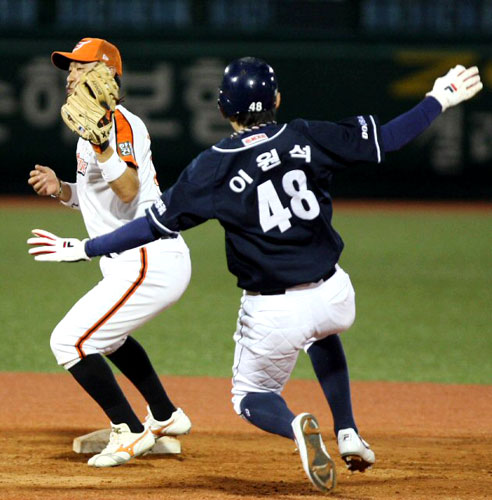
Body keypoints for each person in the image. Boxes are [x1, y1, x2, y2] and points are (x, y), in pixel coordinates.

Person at [28, 57, 482, 491]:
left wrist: (85, 249)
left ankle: (294, 426)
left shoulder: (213, 166)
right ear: (277, 100)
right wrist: (438, 97)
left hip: (274, 311)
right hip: (335, 295)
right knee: (323, 332)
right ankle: (347, 430)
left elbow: (150, 224)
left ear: (223, 108)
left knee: (250, 398)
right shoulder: (308, 136)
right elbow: (389, 137)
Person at [27, 38, 193, 468]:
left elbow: (128, 190)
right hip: (138, 258)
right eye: (69, 68)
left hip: (147, 258)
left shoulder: (118, 124)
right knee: (110, 337)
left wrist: (101, 144)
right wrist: (62, 189)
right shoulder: (95, 129)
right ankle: (164, 416)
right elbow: (105, 198)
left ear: (104, 75)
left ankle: (129, 430)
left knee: (70, 341)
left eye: (80, 68)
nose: (70, 76)